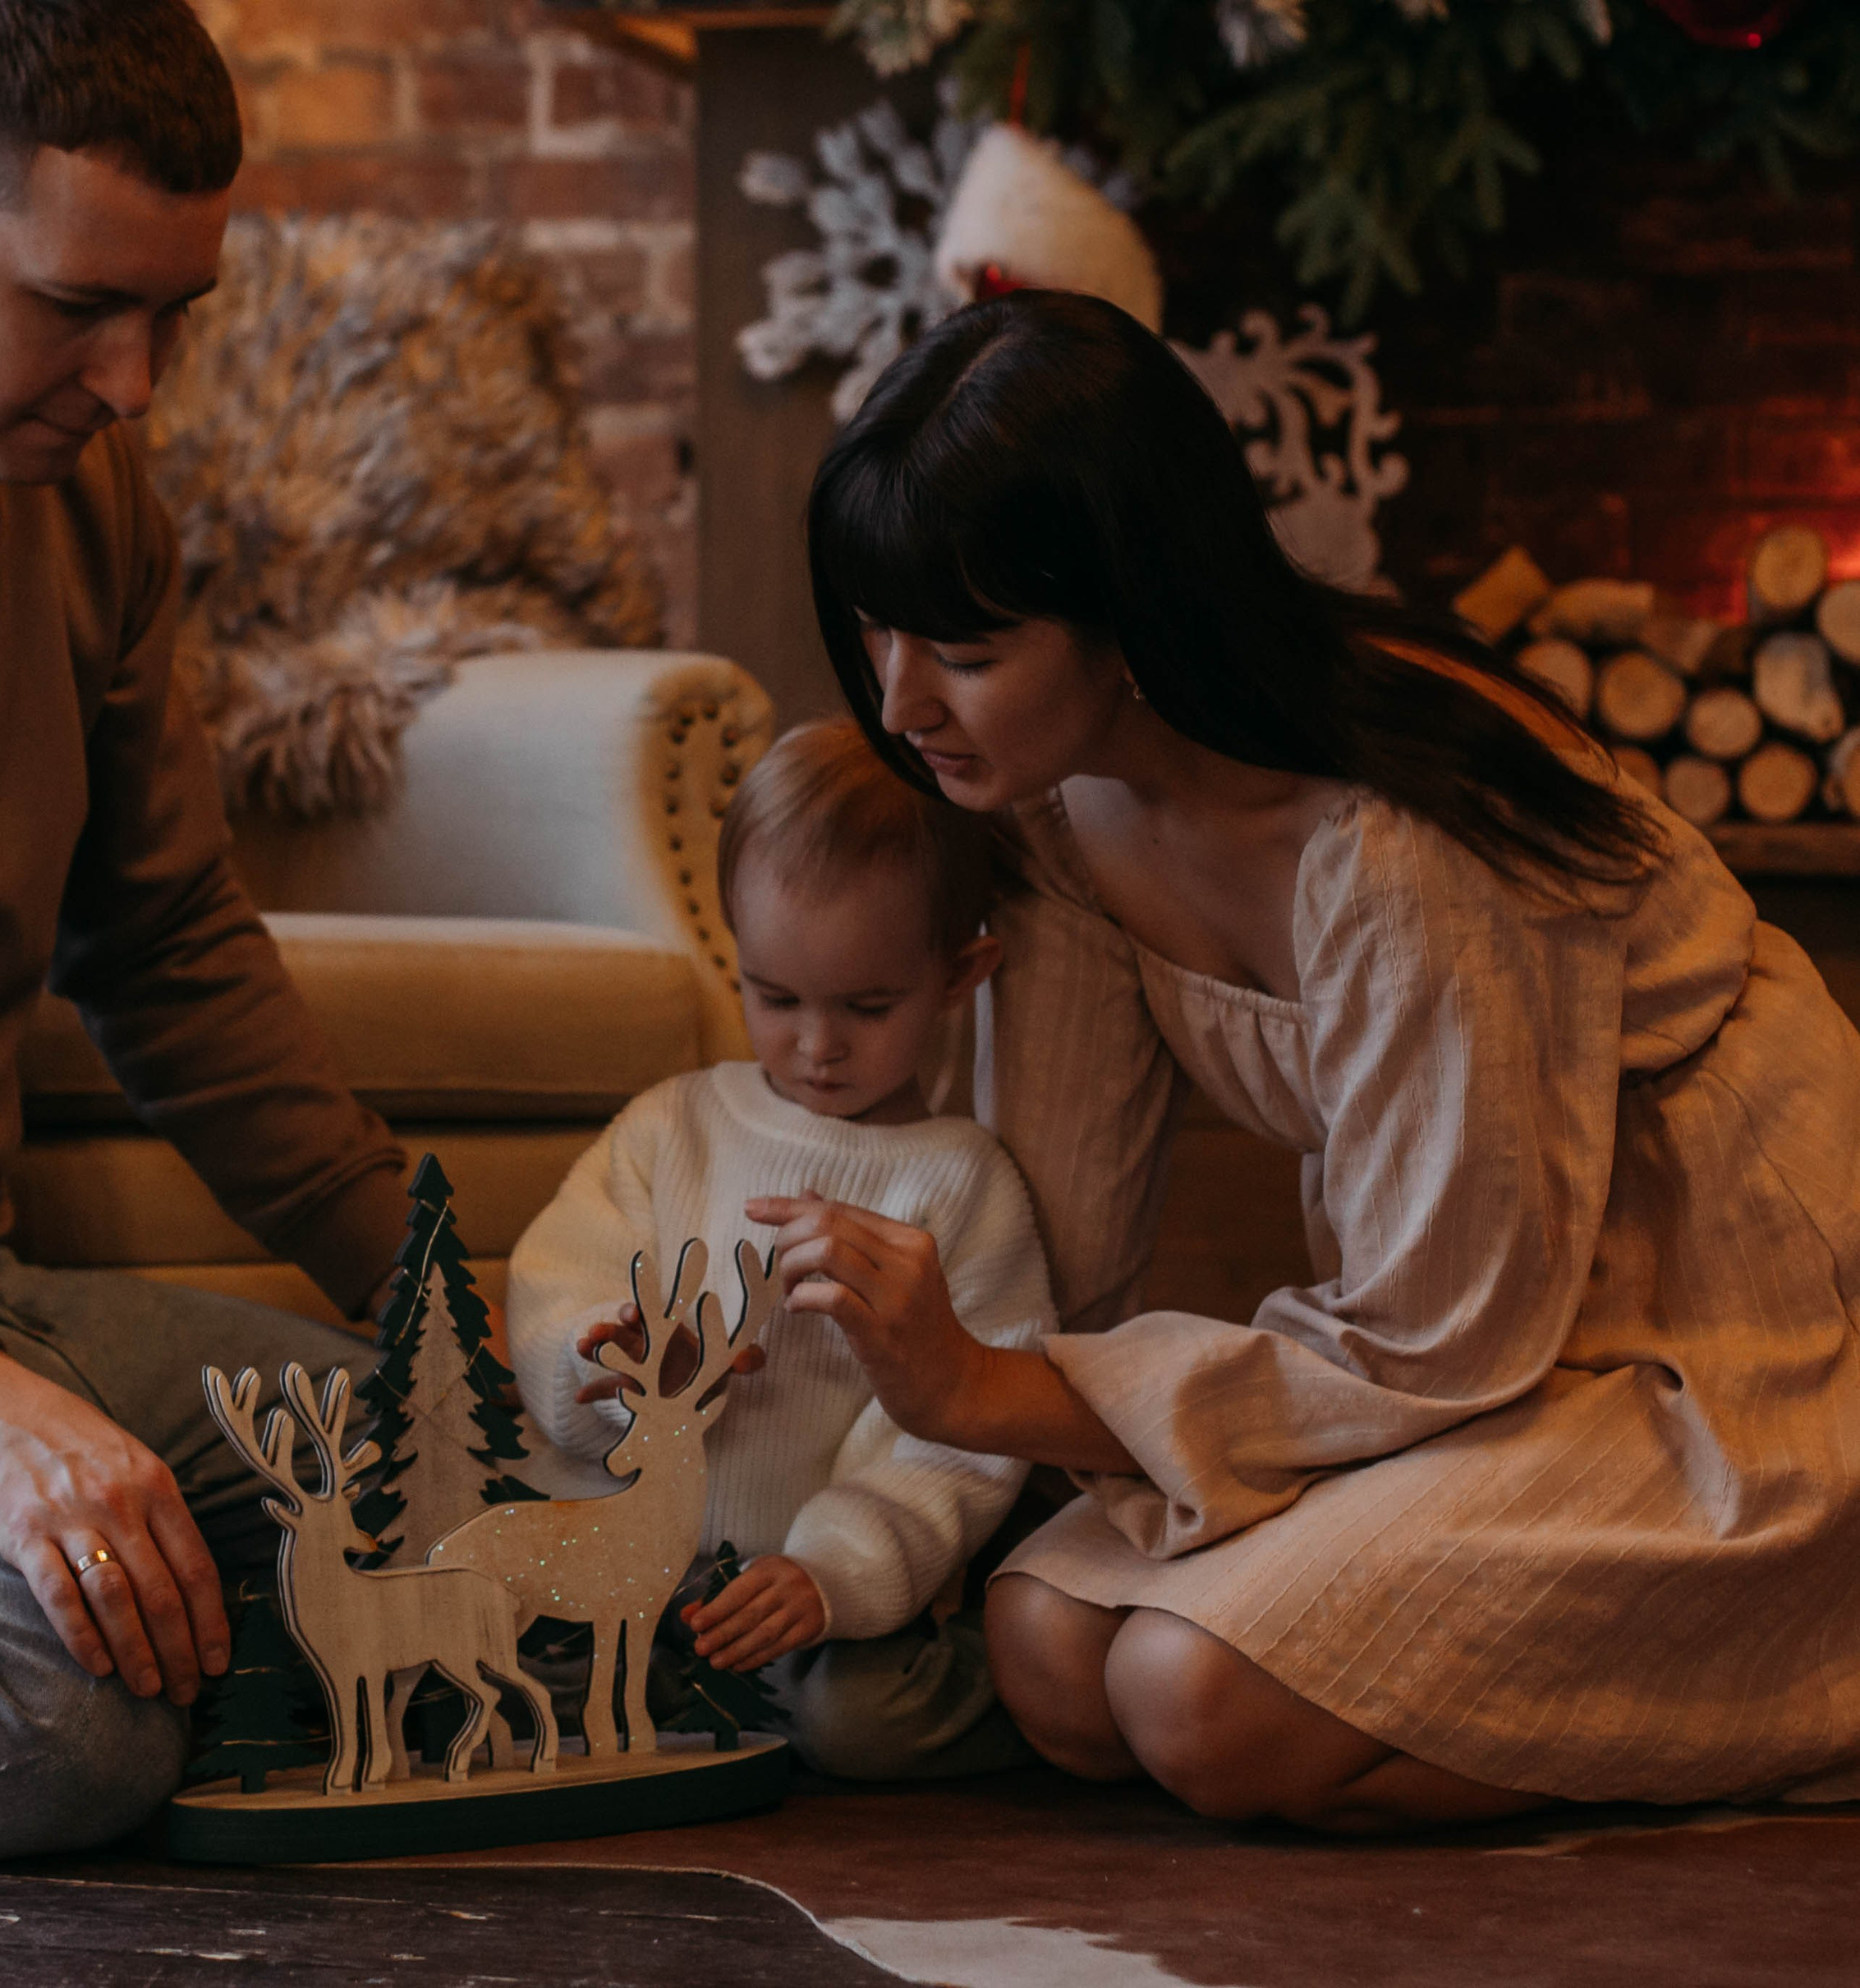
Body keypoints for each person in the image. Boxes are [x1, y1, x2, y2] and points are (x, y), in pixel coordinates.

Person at [755, 288, 1860, 1833]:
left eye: (961, 646)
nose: (898, 700)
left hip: (1722, 1336)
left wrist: (1000, 1391)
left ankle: (1795, 1701)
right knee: (1050, 1649)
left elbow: (1440, 1337)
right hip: (1461, 1341)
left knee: (1191, 1700)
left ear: (1131, 607)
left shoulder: (1397, 839)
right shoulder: (1055, 797)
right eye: (877, 630)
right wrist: (827, 1405)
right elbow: (1051, 1247)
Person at [0, 0, 413, 1859]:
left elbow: (173, 940)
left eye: (175, 317)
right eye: (75, 307)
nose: (136, 384)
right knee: (38, 1711)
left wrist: (436, 1287)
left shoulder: (91, 496)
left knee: (480, 1488)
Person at [506, 718, 1051, 1777]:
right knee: (523, 1675)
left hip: (805, 1601)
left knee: (869, 1725)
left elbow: (958, 1434)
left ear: (960, 972)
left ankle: (1009, 1674)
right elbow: (553, 1279)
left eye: (868, 1005)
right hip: (625, 1571)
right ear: (738, 957)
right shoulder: (674, 1127)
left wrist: (833, 1575)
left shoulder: (962, 1186)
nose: (815, 1044)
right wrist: (601, 1358)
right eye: (776, 997)